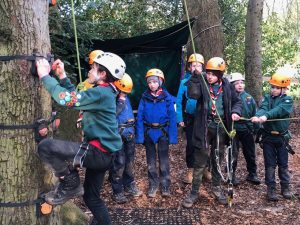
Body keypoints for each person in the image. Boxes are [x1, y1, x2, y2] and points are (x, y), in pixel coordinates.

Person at [36, 52, 126, 225]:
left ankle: (70, 182)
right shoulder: (103, 91)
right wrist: (62, 76)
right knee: (91, 198)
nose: (90, 71)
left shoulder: (102, 93)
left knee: (46, 147)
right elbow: (76, 99)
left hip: (98, 153)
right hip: (105, 154)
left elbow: (67, 99)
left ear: (102, 75)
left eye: (93, 68)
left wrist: (45, 76)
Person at [182, 57, 242, 207]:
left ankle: (216, 189)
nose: (209, 76)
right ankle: (194, 192)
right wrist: (196, 76)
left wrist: (235, 112)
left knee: (217, 159)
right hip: (204, 128)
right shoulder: (202, 83)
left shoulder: (227, 87)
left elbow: (237, 102)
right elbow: (193, 95)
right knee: (200, 160)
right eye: (208, 73)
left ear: (220, 75)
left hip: (221, 129)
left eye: (213, 74)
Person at [251, 70, 293, 201]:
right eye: (272, 87)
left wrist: (266, 116)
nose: (273, 89)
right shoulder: (267, 98)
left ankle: (285, 187)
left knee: (283, 164)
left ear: (284, 89)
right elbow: (263, 107)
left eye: (276, 88)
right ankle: (271, 189)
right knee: (270, 165)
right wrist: (258, 116)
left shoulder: (287, 100)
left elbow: (279, 110)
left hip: (281, 138)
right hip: (268, 137)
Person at [136, 68, 177, 198]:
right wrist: (140, 136)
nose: (152, 84)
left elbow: (172, 116)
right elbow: (140, 117)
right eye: (149, 82)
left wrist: (173, 137)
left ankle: (165, 185)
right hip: (149, 132)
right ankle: (153, 184)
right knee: (151, 160)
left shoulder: (167, 98)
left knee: (164, 160)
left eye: (154, 81)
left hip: (163, 131)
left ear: (160, 82)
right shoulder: (144, 97)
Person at [176, 53, 211, 184]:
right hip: (190, 118)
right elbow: (179, 101)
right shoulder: (184, 82)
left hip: (204, 117)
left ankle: (205, 168)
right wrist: (180, 118)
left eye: (199, 65)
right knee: (191, 144)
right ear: (189, 67)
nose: (196, 67)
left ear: (203, 68)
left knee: (205, 143)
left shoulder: (206, 81)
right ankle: (190, 169)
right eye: (193, 65)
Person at [109, 73, 142, 204]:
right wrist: (121, 101)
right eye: (122, 91)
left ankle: (129, 184)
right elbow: (111, 115)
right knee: (119, 162)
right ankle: (117, 191)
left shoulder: (125, 96)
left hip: (129, 132)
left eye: (126, 92)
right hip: (117, 133)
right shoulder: (112, 98)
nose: (124, 93)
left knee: (129, 161)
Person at [228, 72, 261, 186]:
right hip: (234, 129)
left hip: (247, 128)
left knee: (250, 152)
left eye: (242, 82)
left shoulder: (249, 98)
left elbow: (254, 113)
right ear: (231, 85)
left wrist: (257, 130)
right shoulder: (228, 97)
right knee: (233, 153)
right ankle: (231, 175)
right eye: (237, 83)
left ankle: (252, 174)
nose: (240, 85)